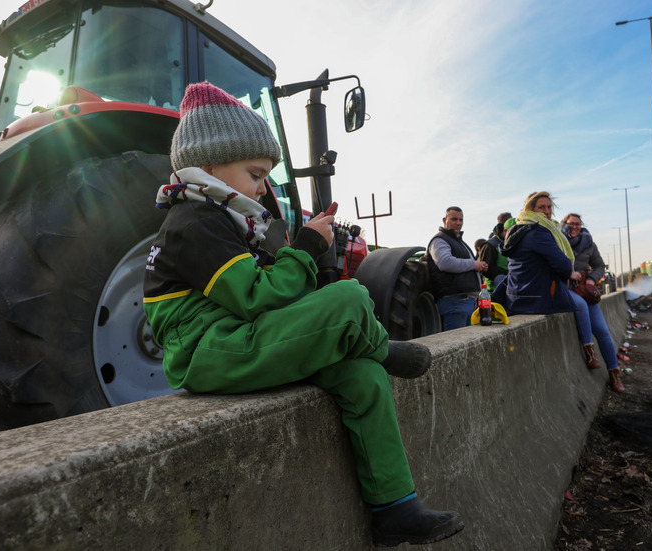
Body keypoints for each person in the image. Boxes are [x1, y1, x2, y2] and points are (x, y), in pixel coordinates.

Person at [143, 82, 463, 546]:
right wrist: (309, 246)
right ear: (208, 165)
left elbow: (274, 299)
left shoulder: (228, 222)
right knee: (351, 298)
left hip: (238, 339)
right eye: (255, 174)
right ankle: (381, 346)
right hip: (208, 351)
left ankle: (395, 508)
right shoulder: (194, 222)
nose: (261, 187)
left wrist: (293, 260)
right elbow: (255, 296)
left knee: (362, 377)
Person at [562, 213, 625, 393]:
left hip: (584, 289)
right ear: (564, 224)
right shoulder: (558, 241)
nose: (574, 227)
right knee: (580, 306)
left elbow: (600, 266)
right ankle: (590, 354)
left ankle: (614, 375)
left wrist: (591, 279)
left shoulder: (588, 242)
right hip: (567, 289)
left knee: (603, 332)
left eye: (577, 224)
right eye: (571, 224)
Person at [497, 192, 578, 316]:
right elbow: (564, 265)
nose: (547, 211)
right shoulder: (538, 232)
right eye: (541, 207)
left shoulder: (519, 230)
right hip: (538, 299)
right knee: (582, 306)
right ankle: (587, 337)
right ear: (530, 210)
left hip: (518, 298)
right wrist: (568, 274)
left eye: (549, 207)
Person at [425, 207, 486, 330]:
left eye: (460, 220)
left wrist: (478, 267)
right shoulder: (439, 240)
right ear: (444, 220)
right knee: (458, 344)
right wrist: (473, 264)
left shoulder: (457, 241)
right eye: (454, 219)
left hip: (464, 302)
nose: (458, 223)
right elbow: (445, 262)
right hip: (455, 302)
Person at [477, 212, 511, 291]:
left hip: (510, 286)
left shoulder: (511, 243)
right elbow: (486, 270)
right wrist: (509, 273)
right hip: (493, 290)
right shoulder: (490, 245)